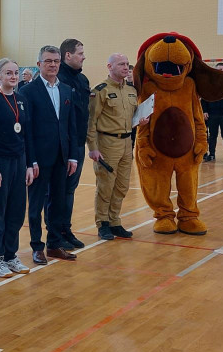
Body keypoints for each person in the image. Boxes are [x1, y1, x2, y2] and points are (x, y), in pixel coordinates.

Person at [19, 45, 80, 264]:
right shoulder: (27, 91)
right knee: (35, 205)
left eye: (56, 61)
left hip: (62, 157)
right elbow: (27, 130)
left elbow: (70, 125)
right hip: (39, 159)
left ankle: (55, 244)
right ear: (39, 64)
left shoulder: (65, 90)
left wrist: (72, 156)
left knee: (58, 203)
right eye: (48, 61)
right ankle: (37, 246)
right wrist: (31, 160)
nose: (53, 65)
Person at [0, 58, 34, 278]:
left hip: (19, 161)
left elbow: (27, 134)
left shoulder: (21, 99)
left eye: (15, 73)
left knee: (16, 210)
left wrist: (31, 164)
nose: (13, 77)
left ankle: (11, 254)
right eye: (8, 73)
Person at [87, 53, 140, 241]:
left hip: (127, 143)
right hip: (107, 143)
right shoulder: (99, 90)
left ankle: (115, 221)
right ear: (109, 66)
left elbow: (131, 118)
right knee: (105, 186)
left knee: (122, 186)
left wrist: (141, 119)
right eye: (121, 64)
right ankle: (103, 223)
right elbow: (91, 121)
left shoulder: (131, 91)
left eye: (127, 64)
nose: (126, 68)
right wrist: (92, 148)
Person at [57, 38, 90, 251]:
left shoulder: (83, 80)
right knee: (57, 191)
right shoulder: (58, 79)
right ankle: (56, 232)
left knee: (70, 190)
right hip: (62, 144)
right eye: (80, 53)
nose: (84, 57)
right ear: (68, 55)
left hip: (78, 143)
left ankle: (65, 230)